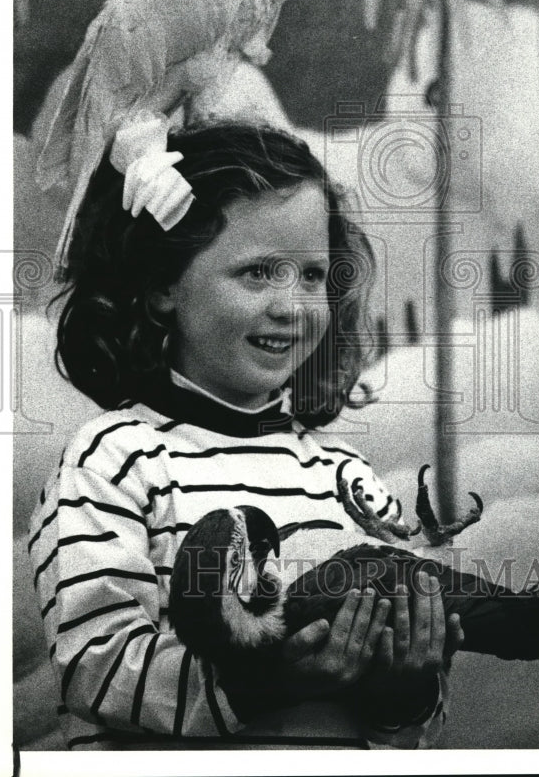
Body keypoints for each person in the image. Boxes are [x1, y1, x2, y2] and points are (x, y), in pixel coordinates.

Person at [29, 119, 463, 750]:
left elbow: (401, 724)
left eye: (313, 275)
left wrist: (405, 686)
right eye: (259, 272)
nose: (292, 304)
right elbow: (94, 667)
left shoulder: (349, 480)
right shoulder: (116, 461)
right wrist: (259, 683)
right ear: (162, 287)